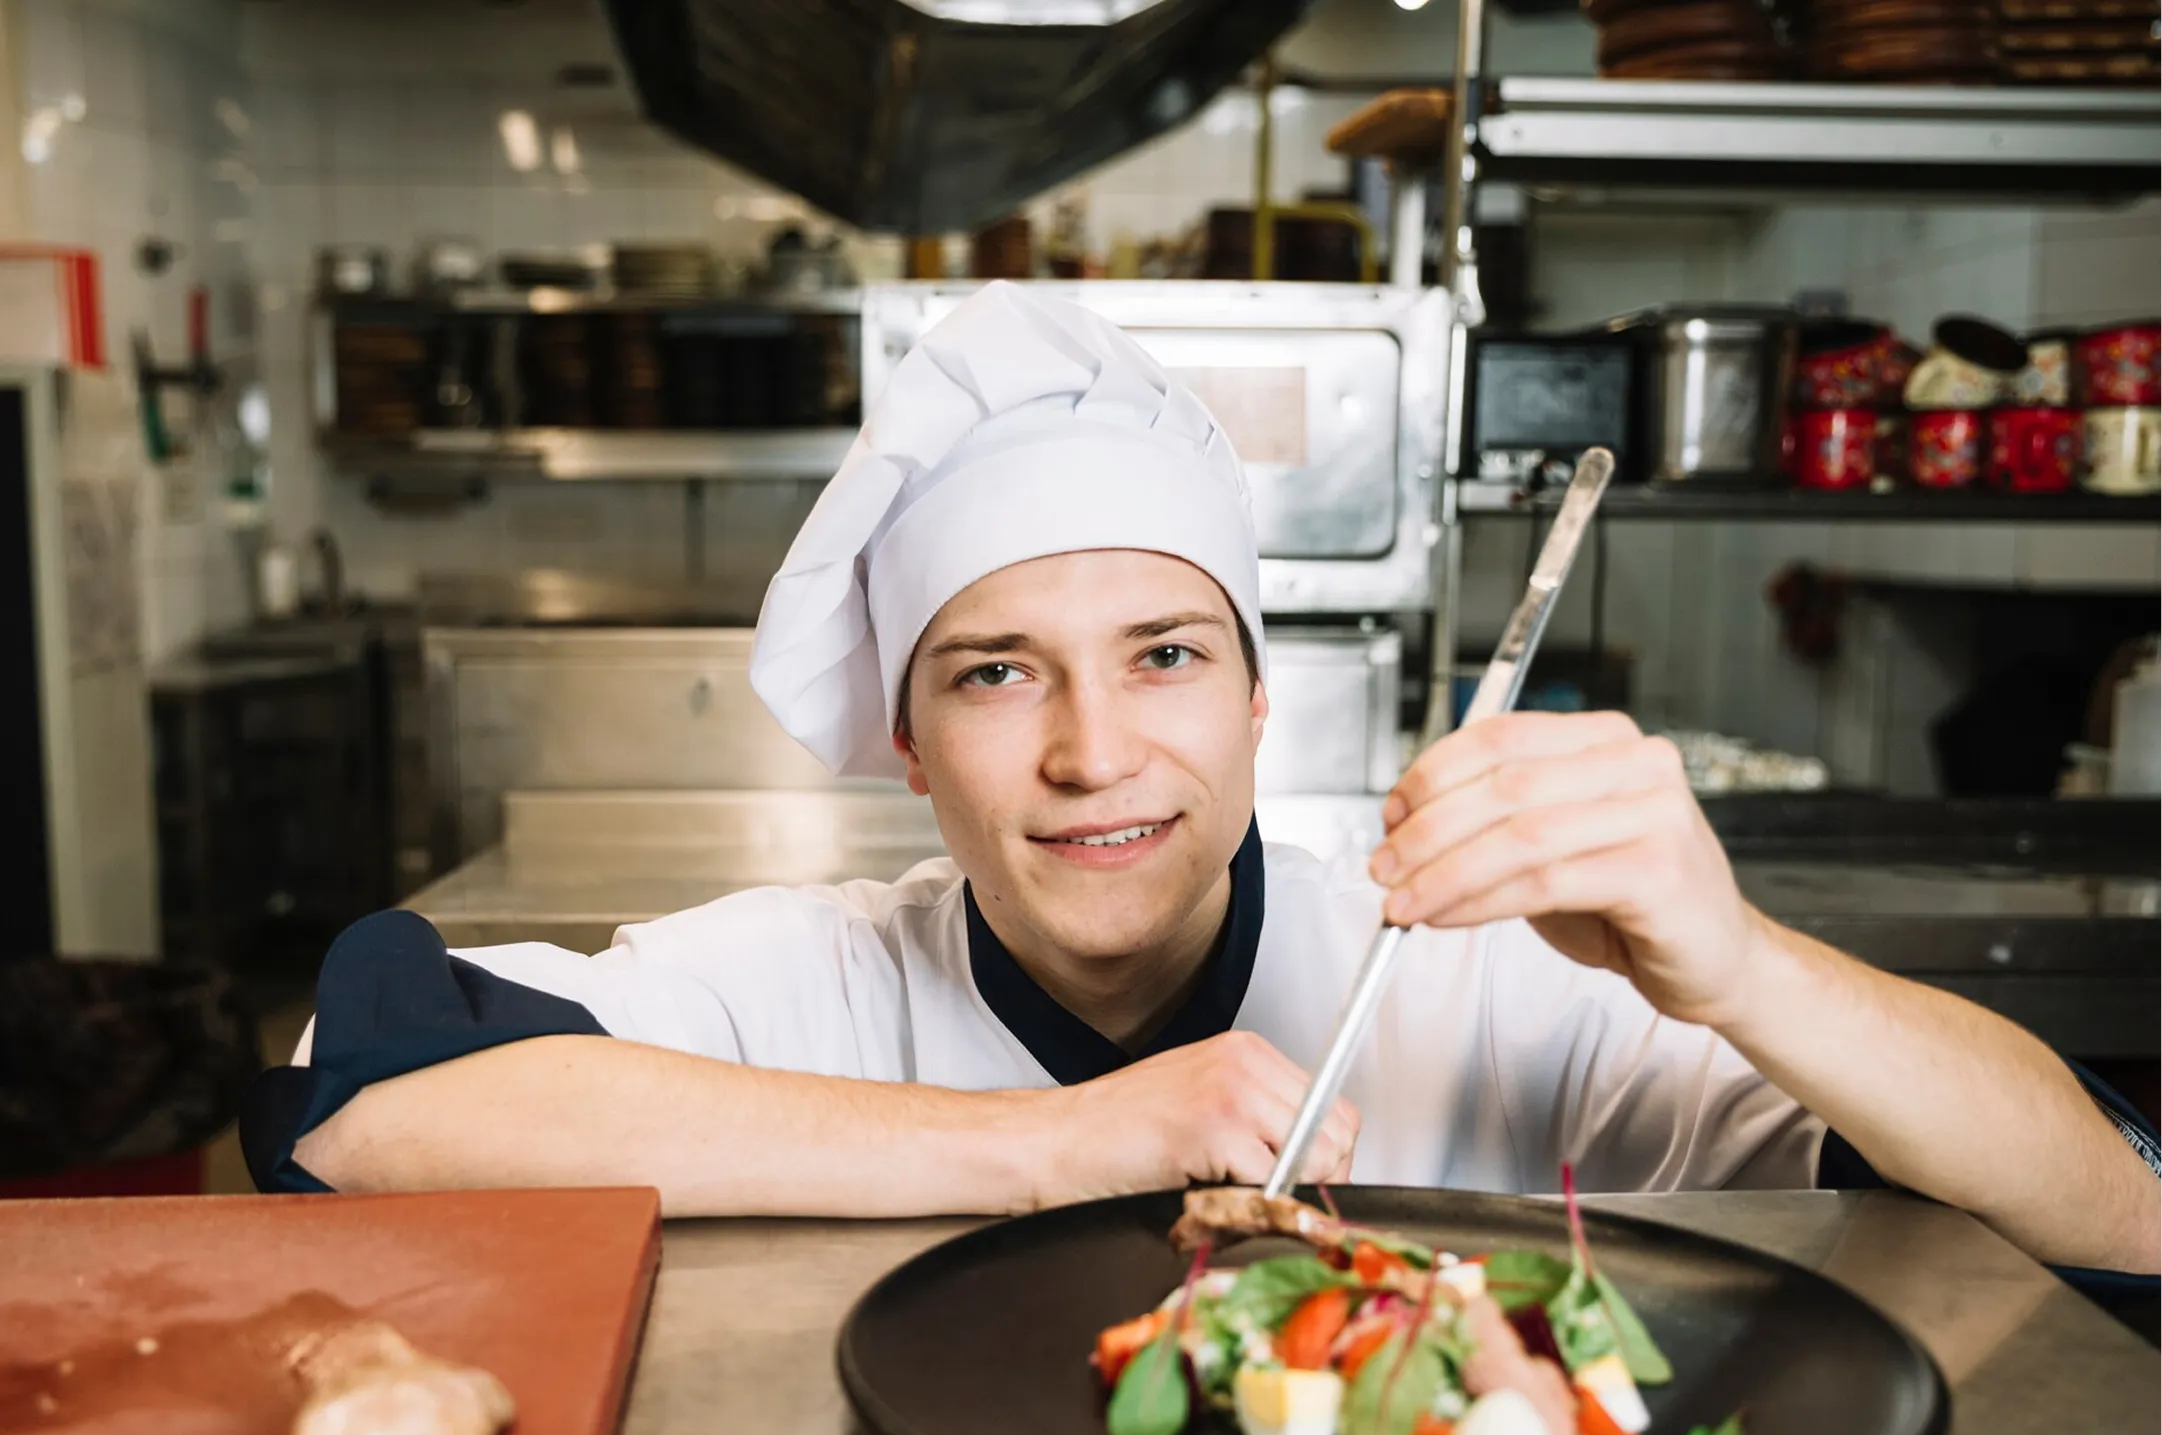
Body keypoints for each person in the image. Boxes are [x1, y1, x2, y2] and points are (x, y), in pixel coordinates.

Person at [243, 282, 2159, 1274]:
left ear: (1262, 705)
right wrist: (1056, 1144)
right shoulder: (803, 984)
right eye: (998, 674)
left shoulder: (1497, 992)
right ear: (908, 742)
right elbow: (360, 1112)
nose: (1091, 753)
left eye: (1164, 655)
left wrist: (1732, 959)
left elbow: (2113, 1211)